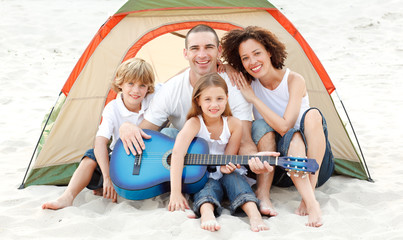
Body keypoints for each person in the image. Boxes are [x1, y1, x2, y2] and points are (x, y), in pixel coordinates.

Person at [221, 26, 335, 227]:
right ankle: (309, 199)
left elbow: (285, 126)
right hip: (283, 170)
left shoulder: (293, 80)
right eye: (245, 58)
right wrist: (228, 67)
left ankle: (309, 198)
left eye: (257, 53)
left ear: (269, 52)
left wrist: (254, 99)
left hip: (316, 167)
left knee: (311, 117)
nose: (253, 62)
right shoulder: (247, 83)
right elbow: (208, 63)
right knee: (282, 133)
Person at [118, 24, 257, 163]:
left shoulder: (234, 86)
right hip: (188, 161)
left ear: (219, 51)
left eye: (208, 47)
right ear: (186, 53)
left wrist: (256, 160)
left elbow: (245, 141)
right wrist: (128, 128)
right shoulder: (171, 89)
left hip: (224, 159)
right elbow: (145, 131)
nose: (202, 55)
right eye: (194, 48)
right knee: (167, 134)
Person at [42, 58, 156, 210]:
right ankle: (67, 197)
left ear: (148, 88)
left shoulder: (154, 99)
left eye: (142, 86)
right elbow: (100, 142)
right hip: (121, 159)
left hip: (147, 158)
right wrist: (108, 177)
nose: (136, 91)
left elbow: (175, 83)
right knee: (91, 156)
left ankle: (109, 188)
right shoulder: (113, 108)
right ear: (120, 84)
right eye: (130, 84)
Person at [168, 73, 268, 232]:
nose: (214, 104)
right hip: (204, 174)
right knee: (206, 187)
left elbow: (229, 156)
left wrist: (225, 167)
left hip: (225, 170)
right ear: (198, 101)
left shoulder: (234, 124)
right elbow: (177, 154)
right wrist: (175, 193)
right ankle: (207, 213)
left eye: (219, 99)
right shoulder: (194, 123)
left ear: (227, 98)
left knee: (237, 181)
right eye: (207, 99)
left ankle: (254, 215)